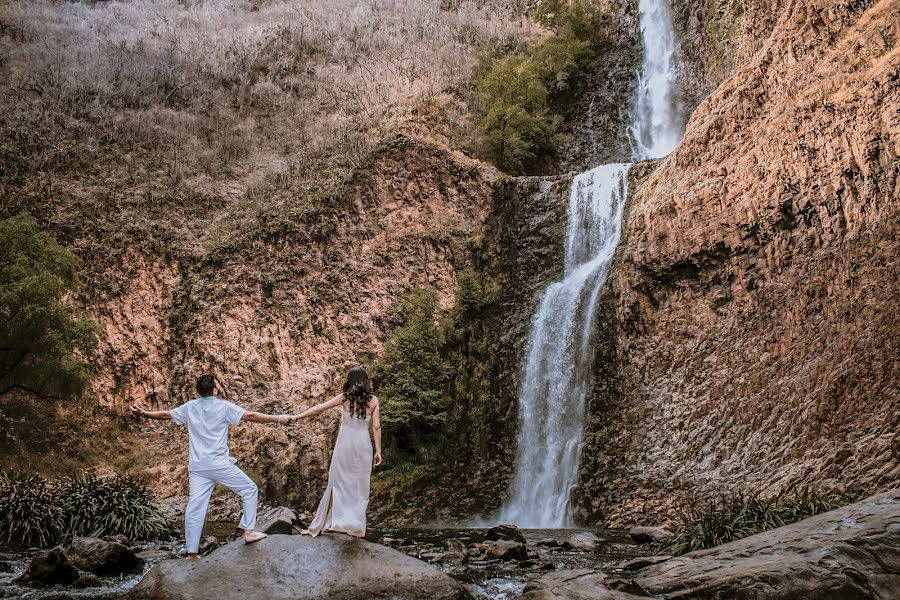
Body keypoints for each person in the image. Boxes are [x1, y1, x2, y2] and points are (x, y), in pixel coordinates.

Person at [130, 373, 294, 560]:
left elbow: (166, 414)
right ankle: (248, 532)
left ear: (199, 392)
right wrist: (279, 419)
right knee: (249, 489)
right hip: (219, 464)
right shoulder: (223, 406)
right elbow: (250, 415)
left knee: (195, 506)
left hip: (198, 467)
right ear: (214, 390)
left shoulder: (190, 407)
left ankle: (192, 553)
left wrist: (144, 413)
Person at [296, 366, 382, 538]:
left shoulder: (345, 397)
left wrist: (298, 417)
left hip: (345, 445)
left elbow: (319, 408)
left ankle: (317, 527)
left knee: (336, 484)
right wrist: (378, 451)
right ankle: (355, 527)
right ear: (366, 381)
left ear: (349, 381)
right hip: (363, 446)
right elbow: (376, 426)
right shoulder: (373, 401)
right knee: (359, 486)